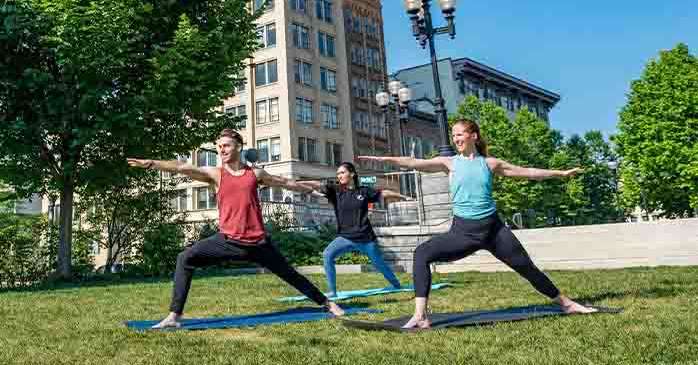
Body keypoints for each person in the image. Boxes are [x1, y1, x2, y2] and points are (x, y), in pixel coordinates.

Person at [358, 119, 596, 329]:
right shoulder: (448, 163)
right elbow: (412, 162)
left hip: (494, 231)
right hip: (464, 233)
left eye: (460, 134)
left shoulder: (490, 164)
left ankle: (567, 304)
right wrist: (385, 158)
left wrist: (560, 173)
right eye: (453, 135)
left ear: (474, 135)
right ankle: (420, 316)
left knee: (528, 268)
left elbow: (527, 172)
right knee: (422, 253)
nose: (456, 138)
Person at [127, 129, 344, 328]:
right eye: (219, 146)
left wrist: (312, 190)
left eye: (227, 146)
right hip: (227, 241)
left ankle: (327, 304)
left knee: (290, 275)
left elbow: (284, 183)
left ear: (238, 147)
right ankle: (174, 315)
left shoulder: (255, 174)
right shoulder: (215, 174)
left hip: (258, 243)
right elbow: (182, 167)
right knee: (185, 258)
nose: (221, 150)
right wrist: (151, 163)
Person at [302, 161, 411, 298]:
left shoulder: (364, 191)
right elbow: (317, 184)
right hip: (346, 237)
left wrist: (403, 197)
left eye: (342, 172)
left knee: (379, 264)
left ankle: (396, 285)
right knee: (327, 254)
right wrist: (298, 181)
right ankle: (332, 291)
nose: (339, 176)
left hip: (366, 238)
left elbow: (385, 193)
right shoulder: (336, 191)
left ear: (352, 174)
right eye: (338, 174)